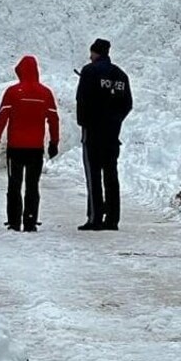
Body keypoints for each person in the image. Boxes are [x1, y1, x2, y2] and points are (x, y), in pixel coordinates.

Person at [0, 54, 60, 232]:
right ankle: (30, 220)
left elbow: (1, 118)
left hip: (16, 148)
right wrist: (54, 142)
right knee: (32, 185)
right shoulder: (45, 93)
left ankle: (14, 221)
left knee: (14, 184)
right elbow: (53, 119)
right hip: (36, 148)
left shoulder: (13, 92)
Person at [75, 38, 132, 231]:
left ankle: (95, 217)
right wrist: (115, 121)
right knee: (111, 175)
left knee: (93, 175)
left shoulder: (89, 71)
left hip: (93, 133)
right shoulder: (121, 75)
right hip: (112, 134)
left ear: (95, 53)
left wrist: (85, 122)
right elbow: (127, 104)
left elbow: (81, 100)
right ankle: (113, 219)